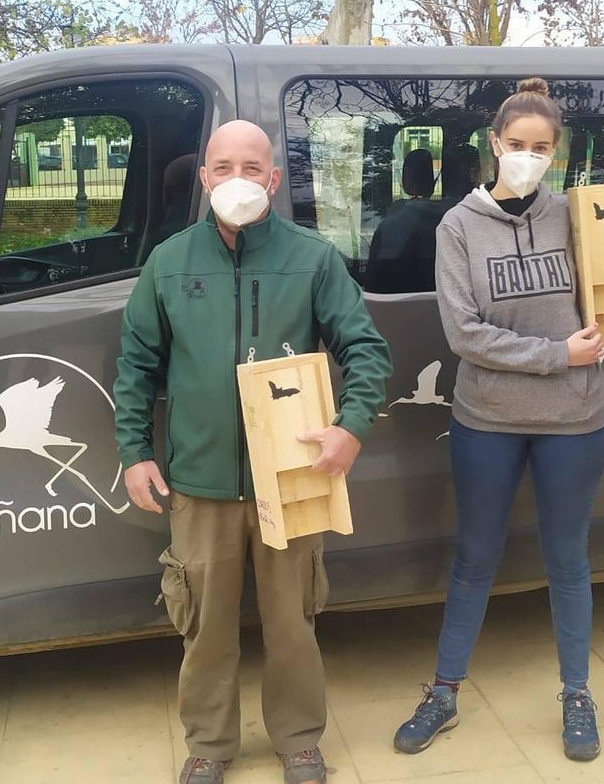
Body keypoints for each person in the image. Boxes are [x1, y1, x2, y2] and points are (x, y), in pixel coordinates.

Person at [392, 78, 604, 763]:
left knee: (567, 561)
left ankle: (577, 693)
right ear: (494, 144)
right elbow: (464, 333)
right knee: (475, 559)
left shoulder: (575, 216)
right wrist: (557, 355)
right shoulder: (457, 227)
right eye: (517, 144)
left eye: (541, 148)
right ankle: (444, 690)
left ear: (556, 152)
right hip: (487, 420)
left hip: (575, 421)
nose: (527, 157)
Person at [113, 120, 393, 784]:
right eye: (222, 167)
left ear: (273, 179)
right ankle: (210, 744)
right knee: (205, 625)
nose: (236, 179)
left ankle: (298, 738)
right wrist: (134, 450)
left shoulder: (311, 259)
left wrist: (351, 427)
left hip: (291, 477)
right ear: (203, 177)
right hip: (200, 482)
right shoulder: (170, 263)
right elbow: (136, 364)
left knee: (292, 623)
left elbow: (365, 348)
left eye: (250, 167)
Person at [365, 148, 446, 293]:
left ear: (405, 180)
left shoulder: (390, 221)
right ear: (432, 181)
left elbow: (372, 283)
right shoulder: (451, 219)